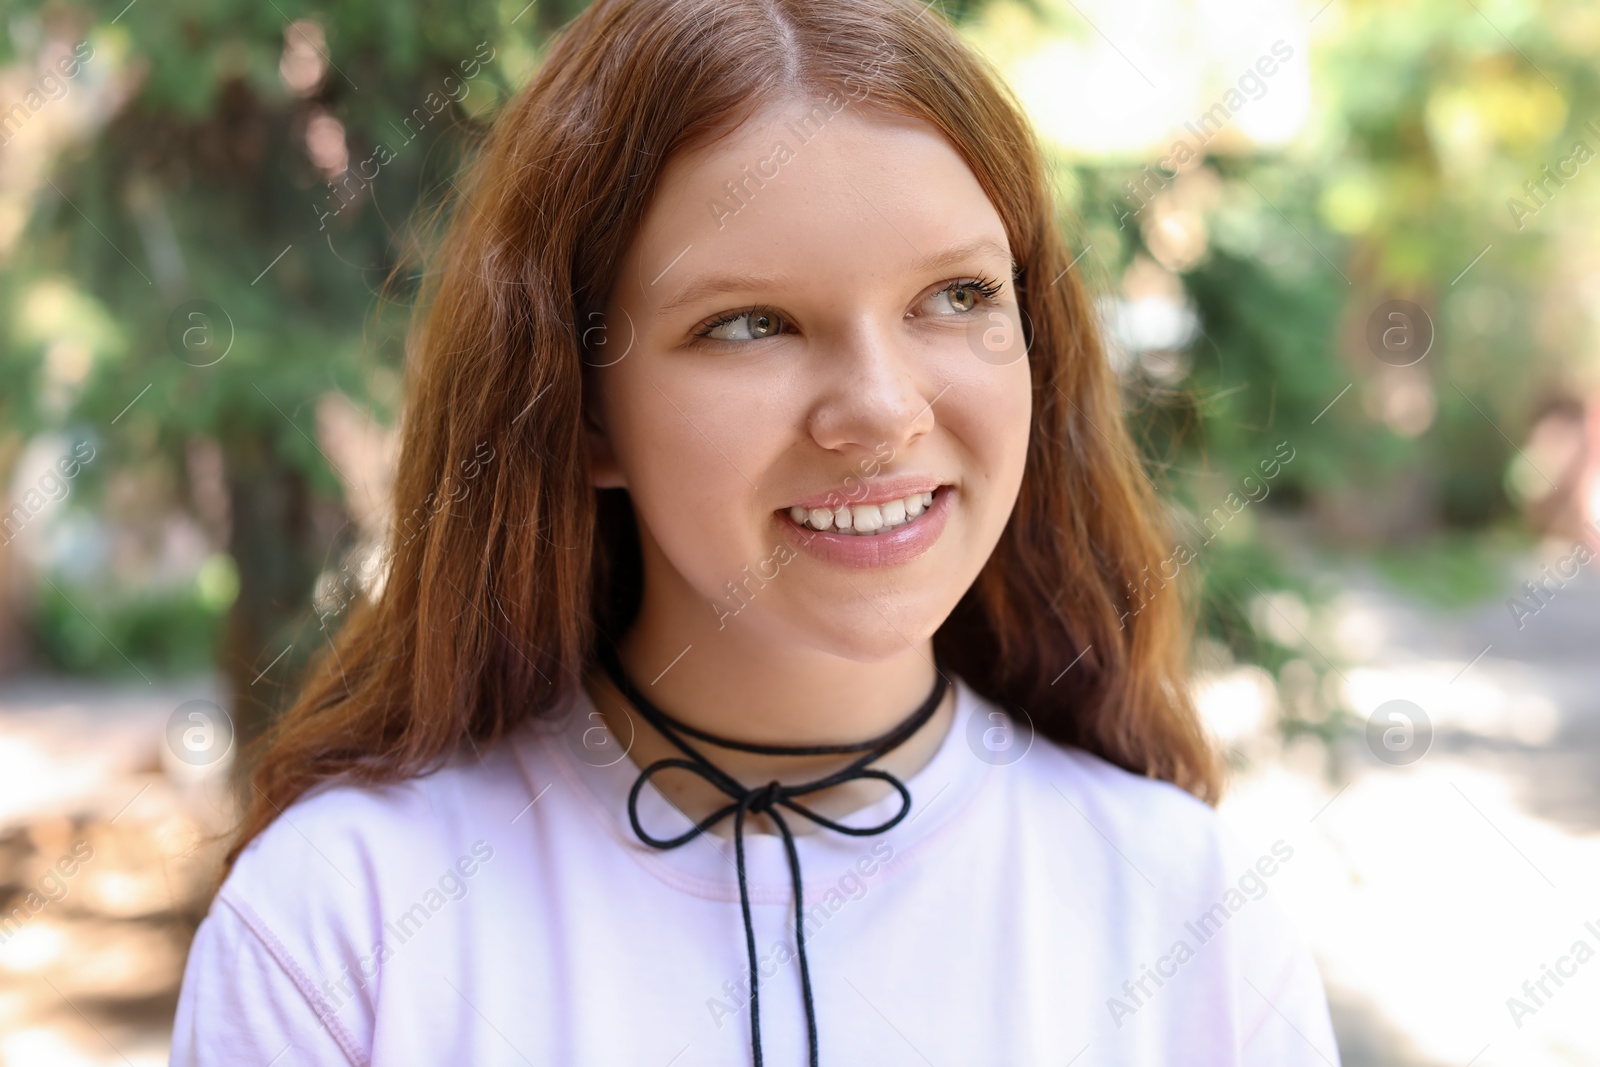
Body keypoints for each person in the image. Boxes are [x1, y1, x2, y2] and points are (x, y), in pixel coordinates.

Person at [170, 0, 1342, 1063]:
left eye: (958, 295)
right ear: (580, 408)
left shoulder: (1196, 916)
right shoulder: (338, 928)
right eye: (748, 323)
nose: (882, 410)